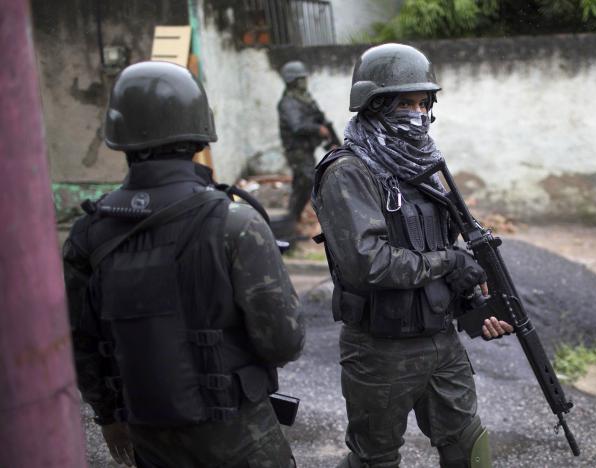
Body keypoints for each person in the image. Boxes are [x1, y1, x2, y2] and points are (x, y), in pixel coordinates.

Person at [62, 61, 304, 468]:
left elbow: (80, 344)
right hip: (239, 431)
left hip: (149, 434)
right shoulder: (236, 223)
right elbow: (284, 340)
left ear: (120, 137)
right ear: (198, 133)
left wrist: (109, 416)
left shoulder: (88, 233)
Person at [312, 43, 512, 468]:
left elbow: (445, 243)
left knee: (469, 450)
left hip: (441, 339)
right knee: (375, 459)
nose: (418, 113)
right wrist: (448, 262)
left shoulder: (423, 161)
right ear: (375, 105)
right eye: (406, 102)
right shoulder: (348, 171)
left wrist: (475, 301)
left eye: (424, 103)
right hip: (380, 350)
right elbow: (368, 262)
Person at [277, 60, 333, 235]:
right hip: (296, 150)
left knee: (301, 184)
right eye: (301, 79)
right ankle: (290, 222)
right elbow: (297, 126)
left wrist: (331, 140)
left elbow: (318, 119)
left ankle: (292, 220)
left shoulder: (304, 100)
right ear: (293, 81)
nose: (305, 82)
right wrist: (318, 129)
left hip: (306, 149)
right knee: (307, 182)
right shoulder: (288, 102)